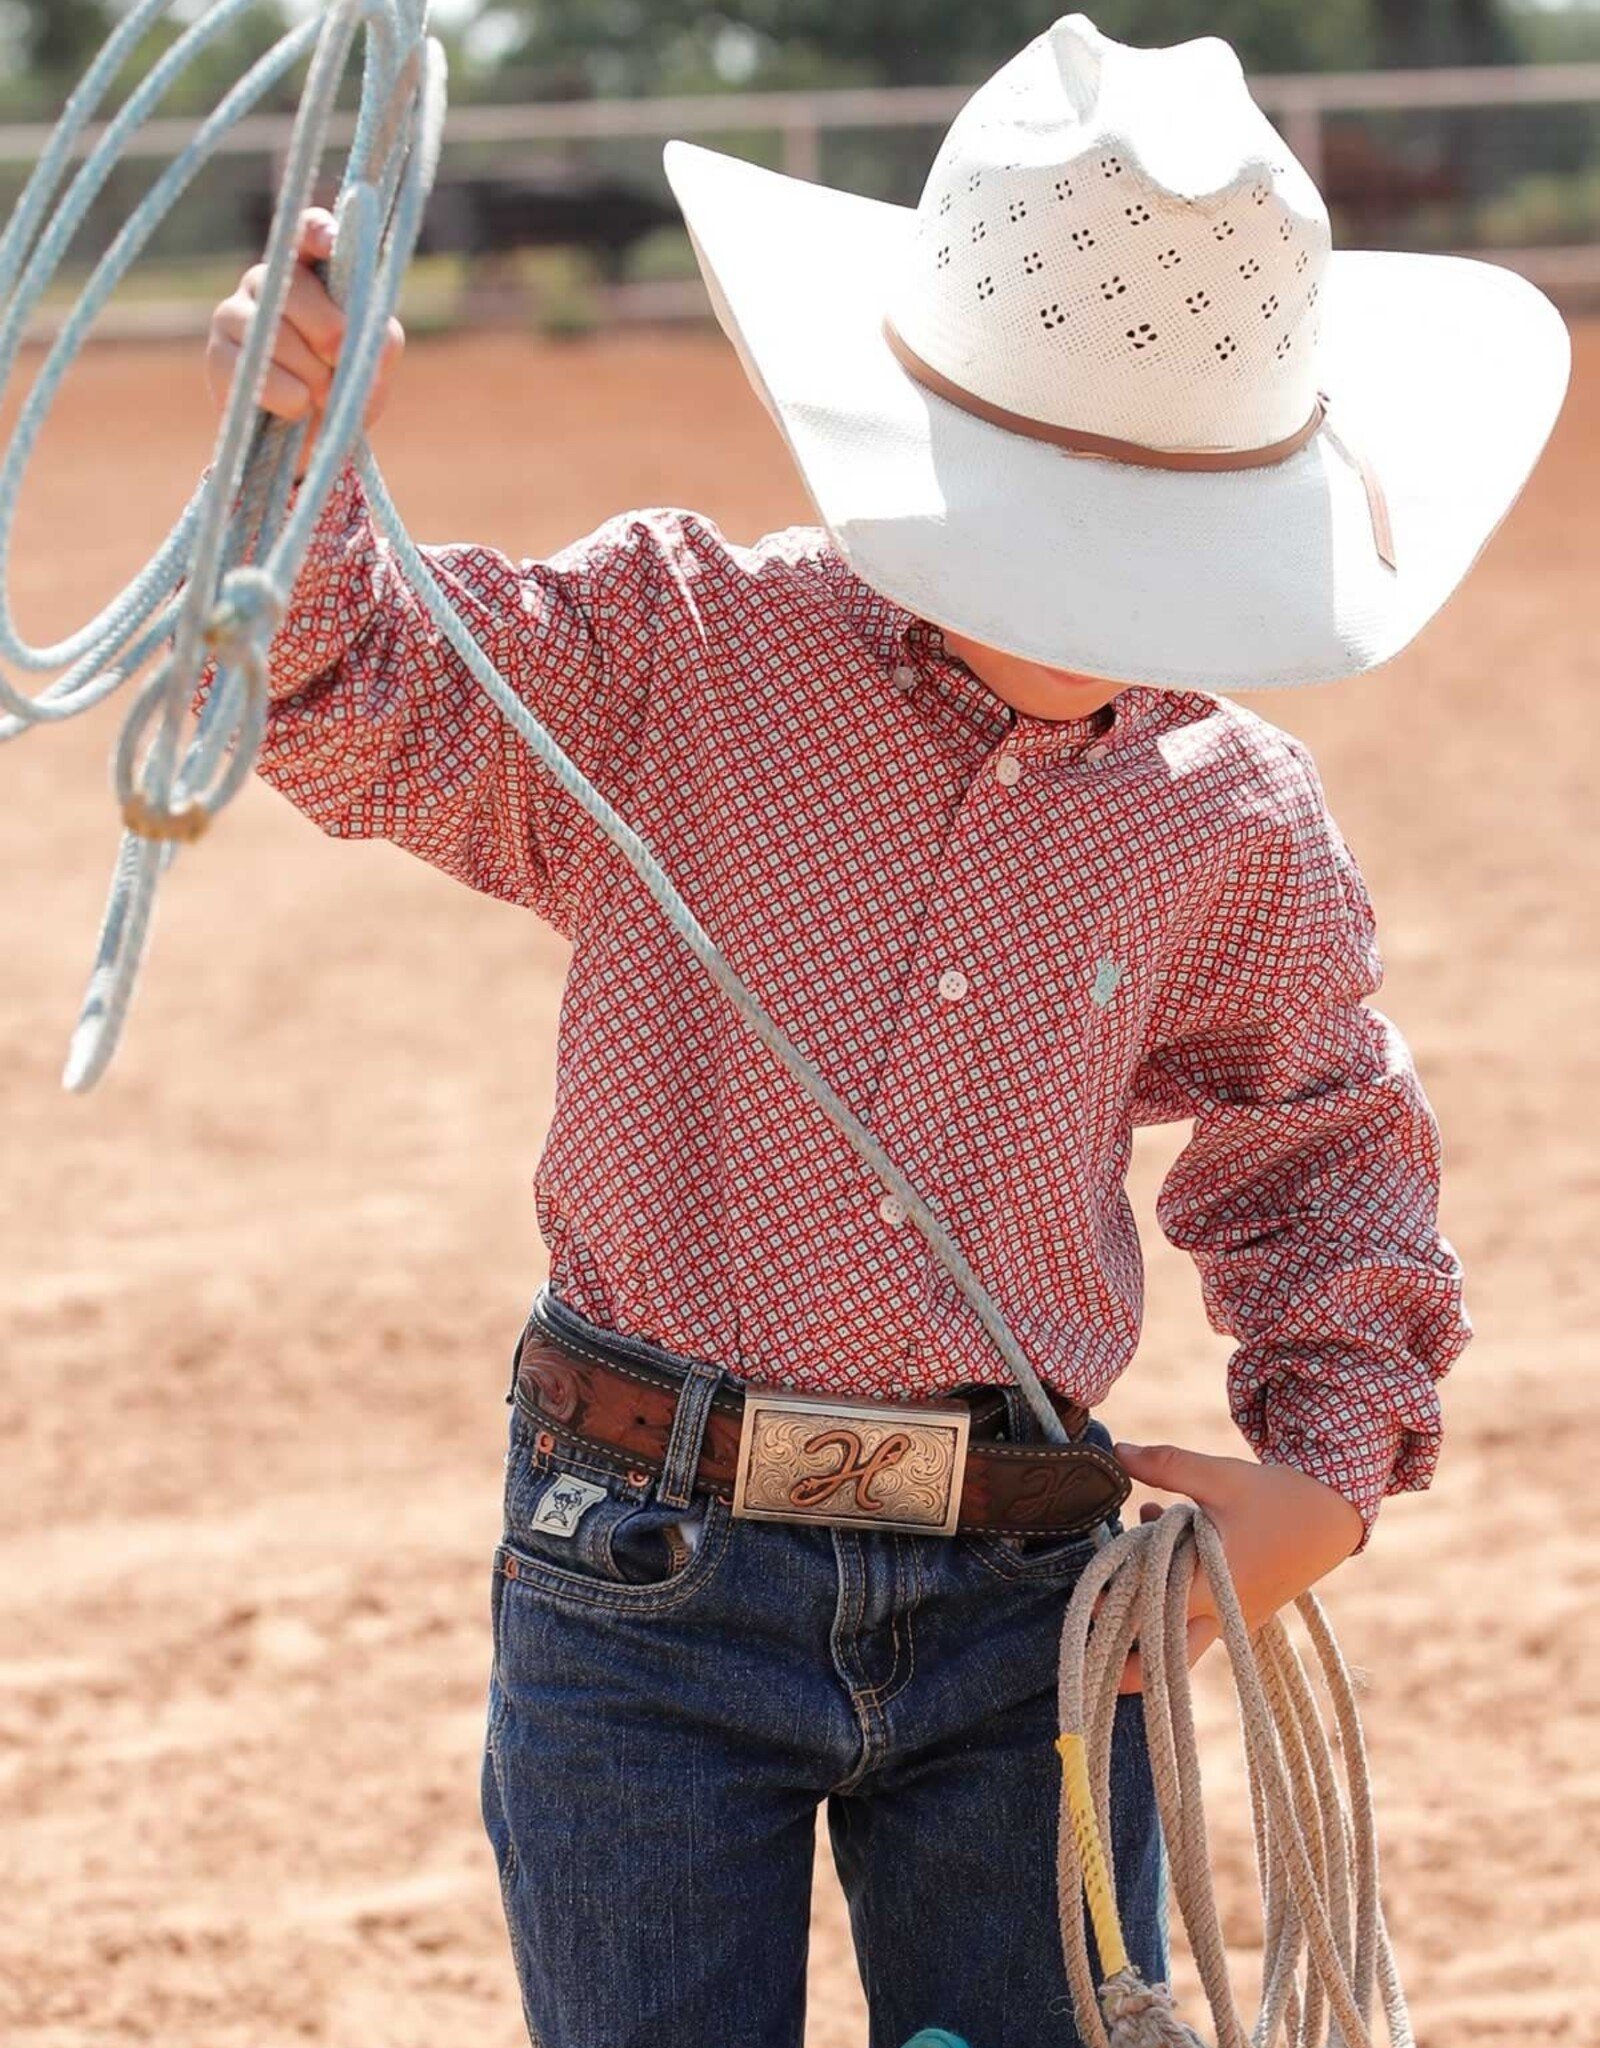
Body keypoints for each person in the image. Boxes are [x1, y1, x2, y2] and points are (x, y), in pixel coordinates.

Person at [202, 16, 1566, 2048]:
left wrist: (1323, 1464)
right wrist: (295, 464)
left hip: (1024, 1602)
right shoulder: (677, 652)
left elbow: (1322, 1139)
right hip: (642, 1566)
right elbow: (353, 691)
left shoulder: (1232, 817)